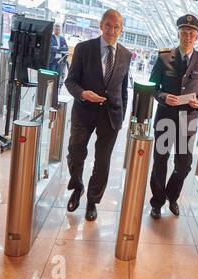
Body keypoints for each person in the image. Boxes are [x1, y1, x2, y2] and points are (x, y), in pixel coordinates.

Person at [64, 9, 132, 221]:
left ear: (121, 29)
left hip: (111, 116)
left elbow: (122, 89)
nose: (112, 30)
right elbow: (70, 81)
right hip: (84, 111)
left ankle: (93, 201)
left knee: (102, 161)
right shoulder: (84, 49)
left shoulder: (126, 55)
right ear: (101, 25)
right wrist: (83, 93)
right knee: (76, 153)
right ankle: (77, 186)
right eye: (108, 25)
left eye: (116, 26)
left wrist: (121, 117)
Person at [148, 14, 198, 219]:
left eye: (192, 33)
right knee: (160, 161)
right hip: (166, 117)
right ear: (178, 34)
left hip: (188, 120)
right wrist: (165, 97)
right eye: (184, 32)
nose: (188, 36)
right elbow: (153, 87)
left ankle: (172, 196)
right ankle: (157, 201)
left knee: (183, 164)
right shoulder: (165, 57)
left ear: (197, 37)